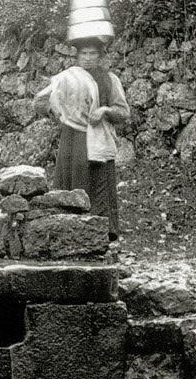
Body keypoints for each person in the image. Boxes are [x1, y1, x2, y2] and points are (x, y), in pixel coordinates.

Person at [33, 38, 129, 240]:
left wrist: (104, 110)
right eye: (83, 54)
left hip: (98, 139)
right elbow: (41, 102)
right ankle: (67, 230)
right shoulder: (68, 79)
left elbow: (123, 112)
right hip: (72, 138)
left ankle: (101, 231)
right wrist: (59, 111)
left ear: (100, 56)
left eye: (92, 53)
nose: (87, 58)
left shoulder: (109, 80)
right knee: (71, 181)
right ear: (77, 56)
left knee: (98, 182)